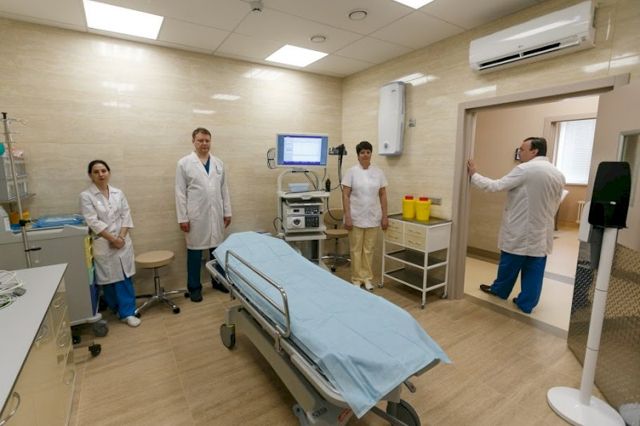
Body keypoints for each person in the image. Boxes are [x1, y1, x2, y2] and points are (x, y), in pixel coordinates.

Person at [467, 137, 565, 314]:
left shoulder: (525, 169)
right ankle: (526, 303)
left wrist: (474, 175)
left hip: (520, 230)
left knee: (509, 264)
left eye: (522, 149)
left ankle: (500, 290)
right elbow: (556, 203)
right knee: (534, 270)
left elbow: (495, 186)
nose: (519, 152)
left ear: (534, 151)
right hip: (542, 232)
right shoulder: (558, 174)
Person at [80, 160, 141, 327]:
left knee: (124, 278)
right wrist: (113, 239)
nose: (101, 174)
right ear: (90, 175)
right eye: (96, 172)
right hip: (105, 243)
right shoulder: (86, 196)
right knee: (109, 280)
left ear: (109, 172)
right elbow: (92, 221)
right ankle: (116, 309)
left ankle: (128, 313)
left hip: (122, 242)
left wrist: (120, 238)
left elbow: (126, 215)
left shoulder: (118, 193)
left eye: (103, 170)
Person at [175, 127, 232, 302]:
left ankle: (218, 281)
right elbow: (180, 192)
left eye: (207, 140)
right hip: (195, 216)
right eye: (200, 140)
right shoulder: (184, 163)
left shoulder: (218, 163)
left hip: (216, 213)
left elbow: (224, 189)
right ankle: (194, 287)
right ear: (193, 141)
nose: (204, 143)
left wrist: (227, 211)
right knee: (194, 252)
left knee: (217, 250)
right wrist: (182, 218)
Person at [342, 141, 389, 291]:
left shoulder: (378, 172)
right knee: (356, 249)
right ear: (358, 155)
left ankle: (367, 278)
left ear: (371, 154)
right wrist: (347, 216)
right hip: (355, 216)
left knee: (369, 249)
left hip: (373, 216)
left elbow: (383, 195)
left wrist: (385, 216)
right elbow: (345, 195)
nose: (365, 155)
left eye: (368, 152)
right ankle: (356, 278)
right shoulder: (351, 172)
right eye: (362, 152)